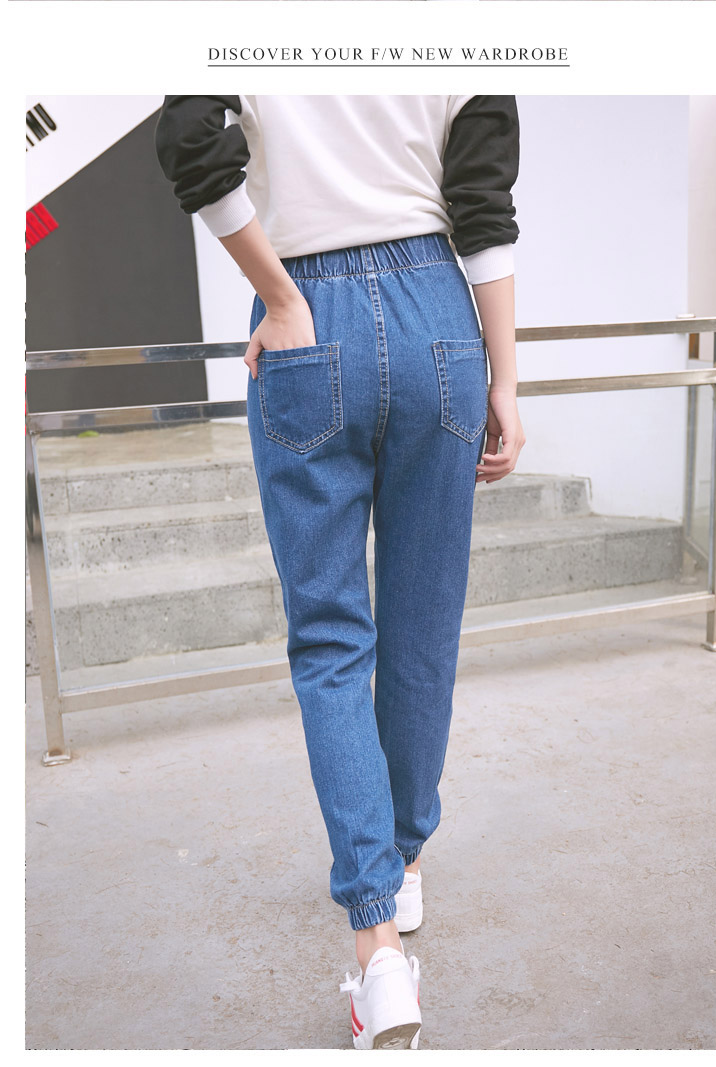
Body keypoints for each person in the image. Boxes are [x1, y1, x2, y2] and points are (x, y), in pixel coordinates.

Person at [155, 95, 524, 1051]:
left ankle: (378, 946)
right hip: (440, 312)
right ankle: (401, 861)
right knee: (423, 624)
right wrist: (506, 377)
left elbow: (189, 138)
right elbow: (483, 205)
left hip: (307, 310)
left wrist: (279, 297)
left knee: (330, 640)